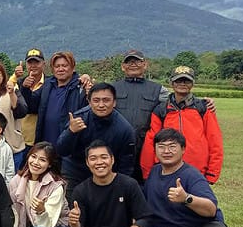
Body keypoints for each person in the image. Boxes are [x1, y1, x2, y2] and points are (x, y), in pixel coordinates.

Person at [141, 66, 223, 184]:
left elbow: (214, 140)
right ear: (171, 83)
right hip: (166, 170)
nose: (182, 84)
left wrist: (212, 173)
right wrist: (148, 173)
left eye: (187, 81)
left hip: (197, 170)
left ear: (193, 83)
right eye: (178, 81)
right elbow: (151, 142)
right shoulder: (161, 110)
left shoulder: (203, 108)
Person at [55, 82, 136, 201]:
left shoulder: (124, 129)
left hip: (106, 174)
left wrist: (119, 187)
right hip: (75, 172)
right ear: (89, 101)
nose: (101, 105)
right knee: (74, 211)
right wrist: (71, 132)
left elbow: (126, 165)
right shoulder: (79, 119)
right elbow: (61, 150)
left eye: (106, 100)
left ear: (114, 102)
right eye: (96, 100)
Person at [112, 50, 170, 182]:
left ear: (145, 65)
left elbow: (176, 104)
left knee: (147, 185)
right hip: (118, 146)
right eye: (129, 61)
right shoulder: (111, 88)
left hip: (147, 147)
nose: (133, 64)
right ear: (123, 66)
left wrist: (204, 103)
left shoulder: (159, 90)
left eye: (137, 61)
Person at [21, 51, 92, 146]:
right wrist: (25, 89)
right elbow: (31, 107)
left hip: (70, 146)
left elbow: (89, 115)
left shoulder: (80, 87)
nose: (60, 69)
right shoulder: (47, 85)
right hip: (46, 145)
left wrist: (89, 95)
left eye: (64, 65)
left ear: (72, 67)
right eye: (57, 66)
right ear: (52, 69)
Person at [11, 49, 47, 157]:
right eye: (30, 63)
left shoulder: (50, 83)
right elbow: (6, 89)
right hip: (19, 139)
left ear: (44, 64)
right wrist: (15, 76)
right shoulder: (20, 82)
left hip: (39, 138)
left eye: (37, 62)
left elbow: (33, 107)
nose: (33, 66)